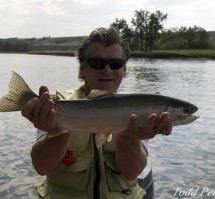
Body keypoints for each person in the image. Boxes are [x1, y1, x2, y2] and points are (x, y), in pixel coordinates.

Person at [21, 27, 173, 199]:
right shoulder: (58, 104)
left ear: (124, 69)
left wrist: (130, 138)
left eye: (116, 63)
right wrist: (56, 132)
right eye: (97, 63)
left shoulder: (138, 109)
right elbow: (41, 166)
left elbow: (131, 172)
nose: (107, 70)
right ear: (83, 67)